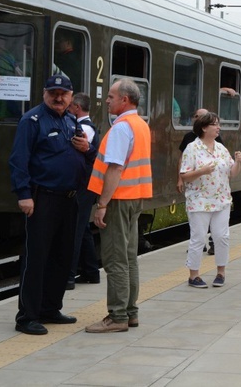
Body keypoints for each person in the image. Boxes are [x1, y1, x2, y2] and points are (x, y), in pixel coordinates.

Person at [9, 75, 96, 335]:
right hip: (42, 198)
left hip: (70, 199)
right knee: (36, 257)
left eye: (64, 93)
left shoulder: (71, 121)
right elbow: (18, 160)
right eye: (53, 93)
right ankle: (27, 316)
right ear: (45, 93)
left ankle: (50, 308)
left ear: (71, 97)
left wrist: (88, 150)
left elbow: (86, 155)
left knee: (62, 256)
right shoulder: (32, 121)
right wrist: (24, 194)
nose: (59, 98)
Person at [85, 79, 153, 333]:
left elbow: (115, 168)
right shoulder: (140, 125)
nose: (107, 100)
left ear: (125, 100)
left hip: (118, 199)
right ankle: (130, 312)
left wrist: (102, 204)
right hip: (136, 198)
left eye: (112, 96)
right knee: (129, 258)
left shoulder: (122, 128)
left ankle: (117, 316)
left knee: (115, 259)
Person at [179, 112, 241, 289]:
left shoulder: (221, 148)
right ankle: (194, 275)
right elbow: (184, 176)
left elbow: (232, 173)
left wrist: (238, 162)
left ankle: (221, 272)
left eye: (218, 124)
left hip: (221, 199)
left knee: (221, 236)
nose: (218, 127)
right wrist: (202, 171)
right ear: (204, 127)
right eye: (215, 124)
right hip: (199, 200)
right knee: (198, 238)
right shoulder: (192, 148)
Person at [66, 92, 101, 290]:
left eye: (70, 107)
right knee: (84, 229)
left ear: (76, 108)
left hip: (82, 186)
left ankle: (68, 276)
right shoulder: (87, 126)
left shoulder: (84, 129)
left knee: (75, 230)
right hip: (86, 186)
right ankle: (91, 271)